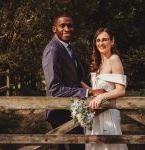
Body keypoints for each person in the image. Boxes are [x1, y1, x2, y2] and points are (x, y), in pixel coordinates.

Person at [42, 14, 105, 150]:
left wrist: (93, 91)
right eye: (62, 26)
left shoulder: (68, 47)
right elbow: (55, 88)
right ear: (54, 29)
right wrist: (88, 92)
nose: (66, 29)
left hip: (72, 109)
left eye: (69, 25)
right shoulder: (53, 50)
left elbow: (77, 79)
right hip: (60, 111)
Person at [85, 28, 128, 150]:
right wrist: (78, 83)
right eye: (98, 40)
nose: (101, 43)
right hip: (96, 114)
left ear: (112, 41)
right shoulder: (99, 63)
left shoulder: (114, 59)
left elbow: (121, 90)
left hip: (108, 113)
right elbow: (95, 90)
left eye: (105, 39)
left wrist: (101, 96)